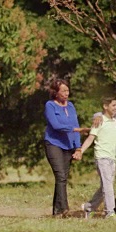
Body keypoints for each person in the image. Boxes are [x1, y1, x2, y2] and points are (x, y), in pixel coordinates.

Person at [43, 79, 83, 217]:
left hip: (68, 145)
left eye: (67, 90)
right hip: (54, 144)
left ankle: (57, 211)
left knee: (62, 178)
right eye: (63, 91)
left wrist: (78, 148)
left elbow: (76, 126)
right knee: (60, 175)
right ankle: (65, 209)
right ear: (56, 92)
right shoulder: (50, 105)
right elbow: (56, 125)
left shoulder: (71, 106)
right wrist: (75, 129)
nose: (67, 93)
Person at [73, 97, 116, 218]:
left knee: (105, 186)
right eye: (113, 105)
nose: (115, 108)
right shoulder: (99, 121)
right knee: (108, 186)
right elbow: (90, 138)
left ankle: (88, 208)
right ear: (105, 106)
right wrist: (80, 150)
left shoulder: (114, 120)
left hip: (113, 157)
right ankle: (110, 213)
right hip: (102, 157)